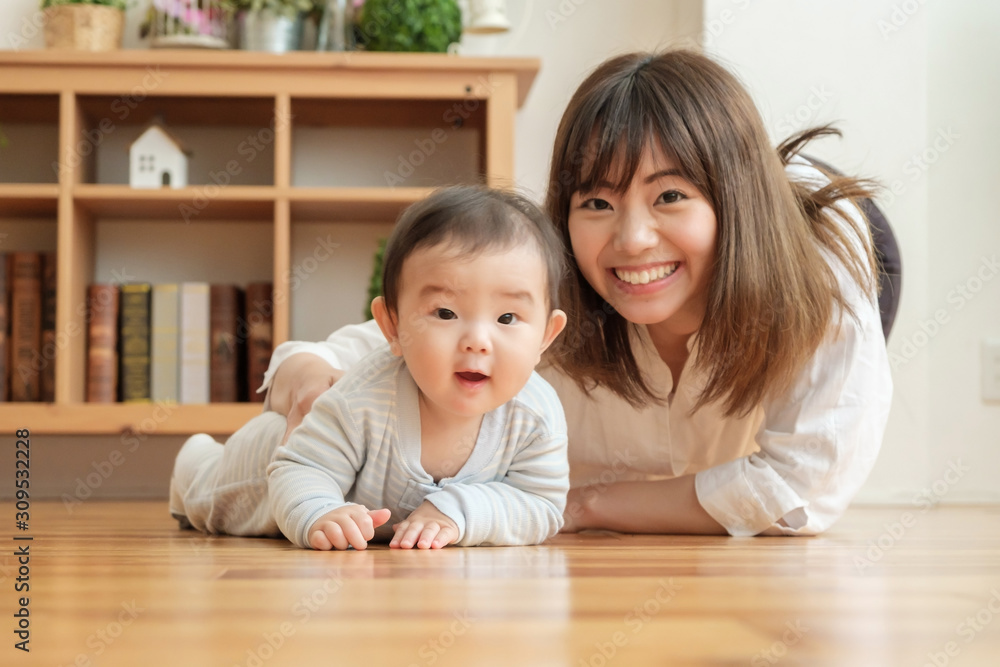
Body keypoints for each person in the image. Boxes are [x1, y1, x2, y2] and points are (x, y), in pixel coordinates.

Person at [258, 49, 894, 538]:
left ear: (734, 201)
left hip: (803, 244)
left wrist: (588, 503)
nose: (633, 238)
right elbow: (419, 334)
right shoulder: (555, 280)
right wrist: (308, 368)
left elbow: (803, 487)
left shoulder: (823, 276)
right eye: (597, 201)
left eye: (669, 195)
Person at [169, 186, 569, 550]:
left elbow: (540, 505)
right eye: (446, 313)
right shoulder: (363, 398)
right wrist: (319, 512)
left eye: (507, 318)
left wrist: (461, 510)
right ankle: (194, 463)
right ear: (391, 326)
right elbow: (301, 466)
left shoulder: (536, 416)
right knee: (211, 495)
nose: (477, 341)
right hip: (267, 465)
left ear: (546, 336)